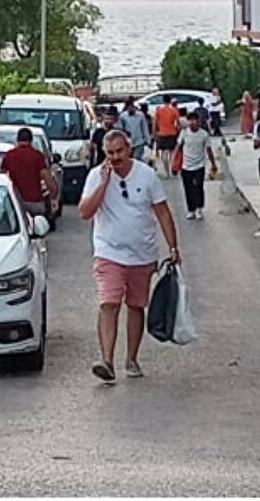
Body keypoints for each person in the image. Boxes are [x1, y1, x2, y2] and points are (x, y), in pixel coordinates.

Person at [79, 130, 180, 383]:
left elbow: (163, 212)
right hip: (108, 252)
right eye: (110, 153)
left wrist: (173, 247)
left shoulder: (147, 175)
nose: (115, 158)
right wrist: (103, 184)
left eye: (119, 152)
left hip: (142, 254)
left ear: (129, 149)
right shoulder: (96, 176)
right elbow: (85, 212)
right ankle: (107, 361)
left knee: (136, 305)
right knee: (109, 303)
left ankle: (132, 359)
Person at [1, 127, 60, 222]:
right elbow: (48, 179)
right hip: (35, 202)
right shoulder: (38, 156)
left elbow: (2, 178)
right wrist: (53, 198)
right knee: (39, 225)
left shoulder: (8, 156)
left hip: (15, 202)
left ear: (17, 139)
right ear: (31, 140)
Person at [176, 112, 217, 220]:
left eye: (194, 120)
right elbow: (178, 147)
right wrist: (174, 162)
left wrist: (213, 164)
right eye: (190, 120)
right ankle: (191, 209)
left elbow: (209, 150)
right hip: (186, 166)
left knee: (198, 187)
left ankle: (199, 208)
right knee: (188, 189)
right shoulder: (184, 133)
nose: (192, 122)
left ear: (198, 121)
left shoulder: (204, 134)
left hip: (199, 166)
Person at [119, 100, 152, 165]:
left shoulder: (140, 115)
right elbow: (121, 129)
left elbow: (144, 128)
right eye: (129, 108)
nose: (131, 109)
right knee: (129, 160)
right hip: (128, 142)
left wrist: (148, 140)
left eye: (132, 107)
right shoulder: (123, 116)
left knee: (136, 159)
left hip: (139, 142)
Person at [154, 99, 181, 177]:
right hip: (172, 133)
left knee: (163, 153)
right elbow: (178, 123)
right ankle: (172, 167)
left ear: (163, 101)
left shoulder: (159, 111)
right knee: (172, 153)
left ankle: (167, 172)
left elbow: (155, 123)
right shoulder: (174, 111)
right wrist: (178, 132)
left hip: (162, 134)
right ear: (170, 102)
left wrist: (155, 133)